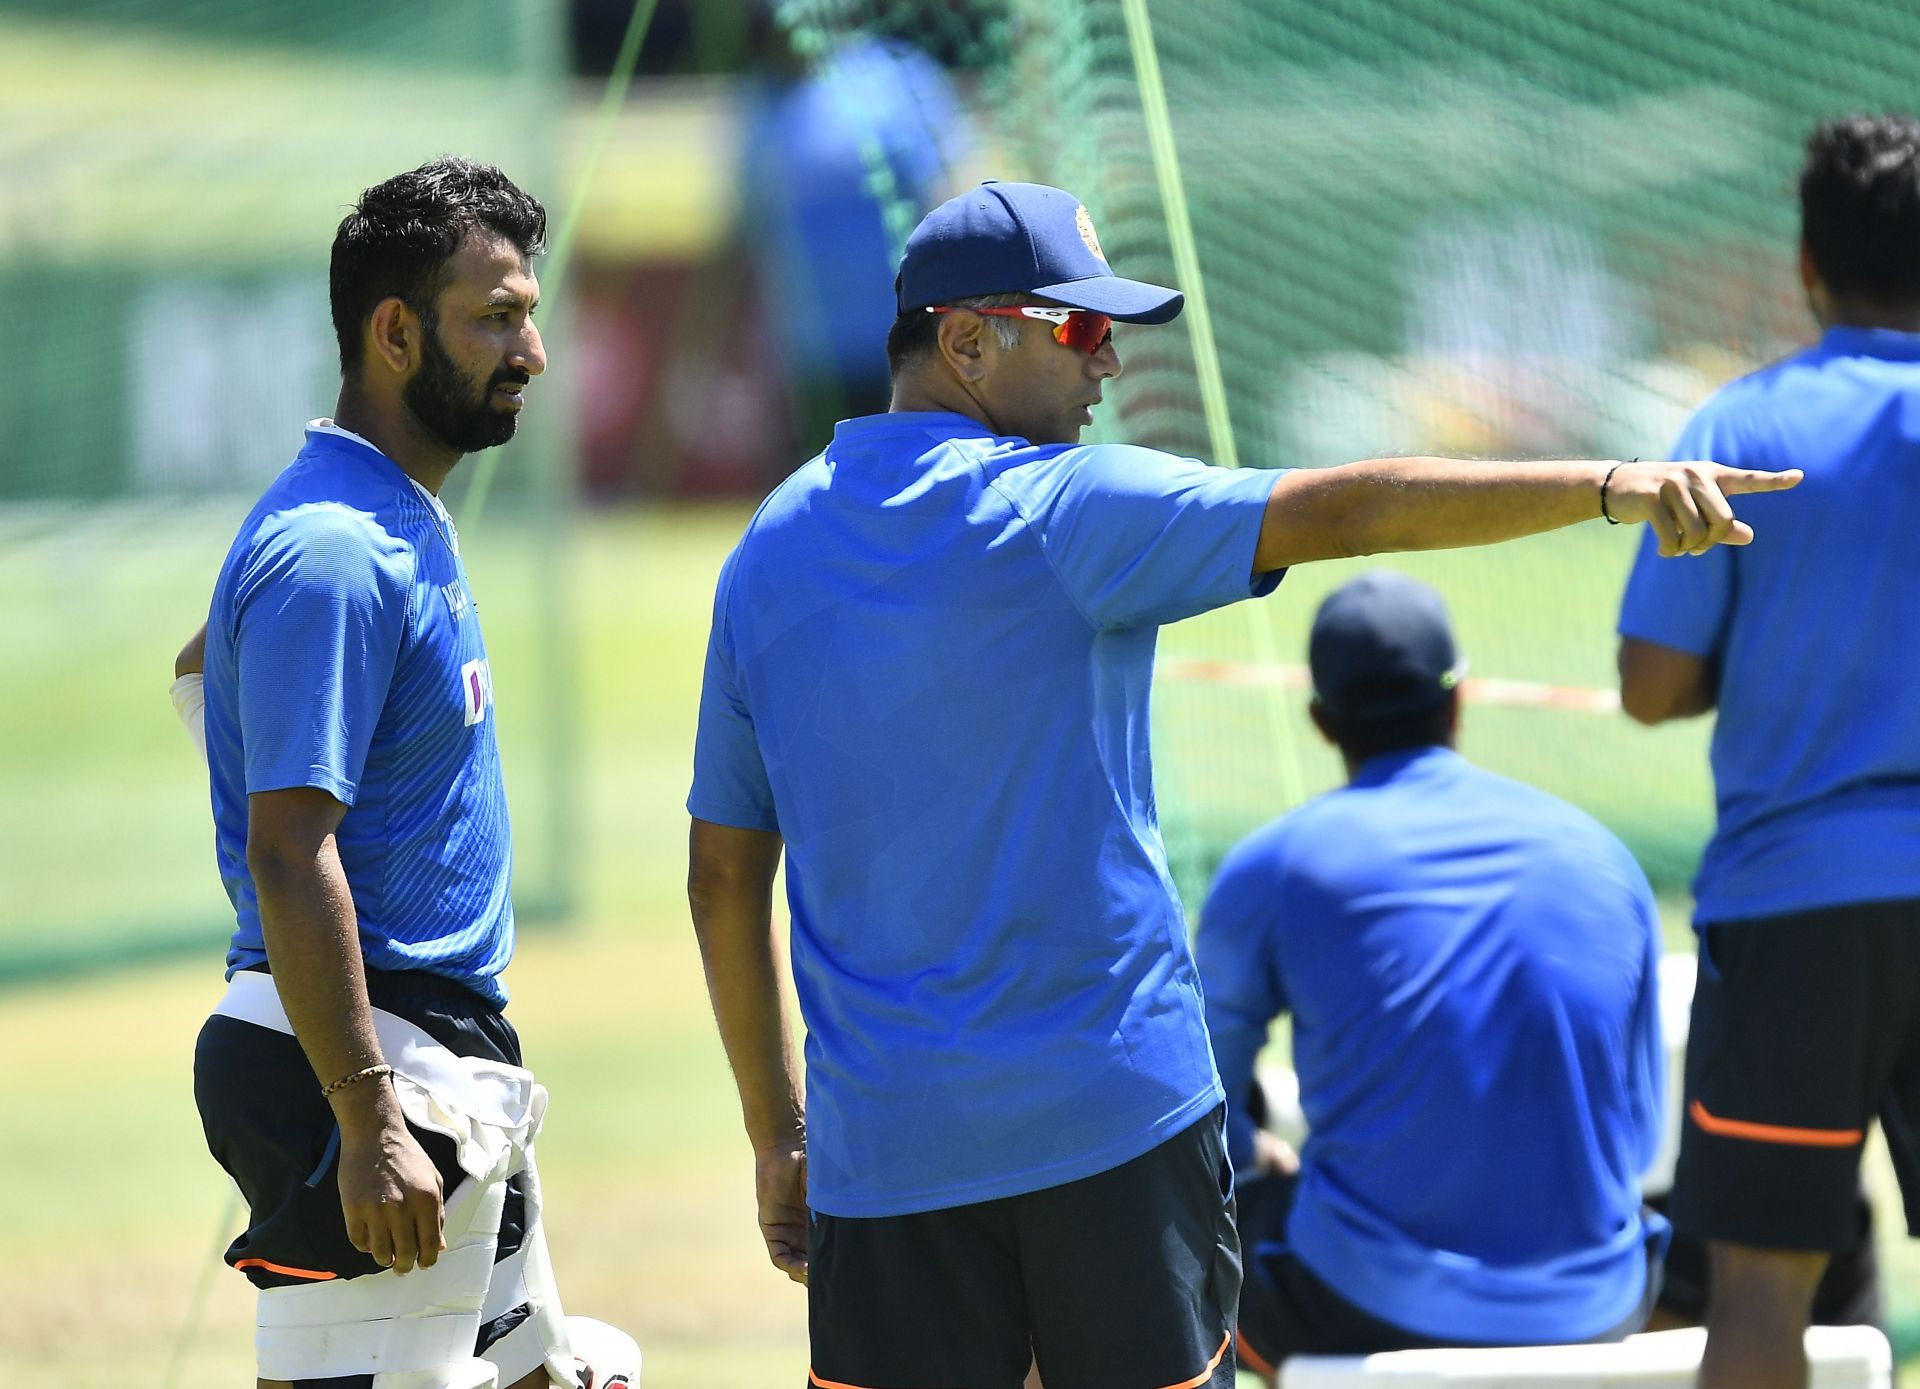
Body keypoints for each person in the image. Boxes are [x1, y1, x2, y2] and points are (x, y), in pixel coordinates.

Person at [685, 179, 1798, 1389]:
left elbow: (720, 875)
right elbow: (1352, 508)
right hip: (1110, 1131)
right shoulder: (1066, 507)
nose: (1108, 362)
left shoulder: (765, 551)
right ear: (967, 342)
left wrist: (778, 1136)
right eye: (1079, 329)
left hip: (885, 1156)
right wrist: (1606, 486)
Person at [188, 157, 608, 1389]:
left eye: (529, 313)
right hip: (365, 1069)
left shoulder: (386, 515)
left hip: (440, 1056)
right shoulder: (337, 547)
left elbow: (208, 671)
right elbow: (285, 847)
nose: (530, 350)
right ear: (393, 330)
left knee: (548, 1374)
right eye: (496, 316)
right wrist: (367, 1117)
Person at [1616, 112, 1920, 1389]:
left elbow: (1649, 687)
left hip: (1793, 905)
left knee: (1754, 1299)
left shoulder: (1736, 429)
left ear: (1804, 263)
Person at [1194, 571, 1667, 1379]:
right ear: (1459, 702)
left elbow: (1201, 1104)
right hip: (1602, 1311)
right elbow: (1639, 1123)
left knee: (1196, 1234)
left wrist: (1255, 1150)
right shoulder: (1605, 856)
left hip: (1366, 1311)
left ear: (1320, 718)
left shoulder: (1273, 866)